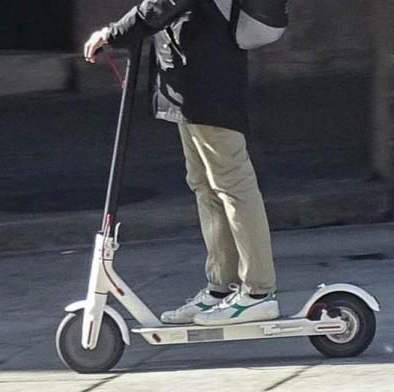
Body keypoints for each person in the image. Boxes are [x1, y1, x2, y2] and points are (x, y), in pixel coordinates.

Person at [84, 0, 280, 326]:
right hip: (189, 77)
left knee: (232, 184)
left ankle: (259, 292)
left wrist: (116, 32)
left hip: (209, 76)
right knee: (204, 183)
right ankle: (222, 287)